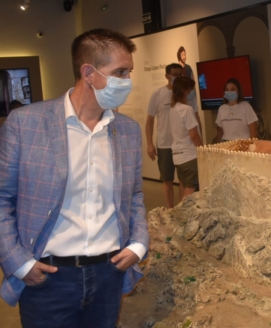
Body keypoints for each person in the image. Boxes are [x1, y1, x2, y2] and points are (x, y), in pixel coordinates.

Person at [0, 29, 149, 327]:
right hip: (48, 279)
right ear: (88, 73)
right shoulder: (25, 123)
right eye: (119, 72)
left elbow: (134, 196)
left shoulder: (128, 130)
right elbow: (3, 199)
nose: (127, 81)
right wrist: (18, 262)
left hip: (109, 273)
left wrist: (139, 244)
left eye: (129, 72)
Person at [145, 63, 201, 208]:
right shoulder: (158, 94)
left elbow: (196, 118)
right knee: (168, 180)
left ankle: (181, 211)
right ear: (167, 76)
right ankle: (170, 211)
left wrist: (200, 141)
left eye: (180, 74)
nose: (177, 77)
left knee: (183, 182)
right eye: (174, 74)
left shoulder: (188, 98)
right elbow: (150, 120)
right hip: (165, 144)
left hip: (185, 146)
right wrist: (150, 143)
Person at [169, 77, 203, 199]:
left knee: (184, 191)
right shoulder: (187, 110)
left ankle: (181, 216)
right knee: (190, 195)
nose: (192, 92)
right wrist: (202, 150)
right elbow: (193, 135)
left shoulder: (172, 109)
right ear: (185, 90)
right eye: (191, 89)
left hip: (178, 157)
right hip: (190, 157)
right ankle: (186, 218)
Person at [214, 78, 258, 142]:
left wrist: (251, 147)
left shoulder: (245, 106)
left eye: (232, 89)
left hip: (243, 145)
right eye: (227, 90)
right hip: (226, 145)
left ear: (238, 92)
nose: (229, 92)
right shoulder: (221, 109)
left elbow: (253, 132)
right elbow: (220, 132)